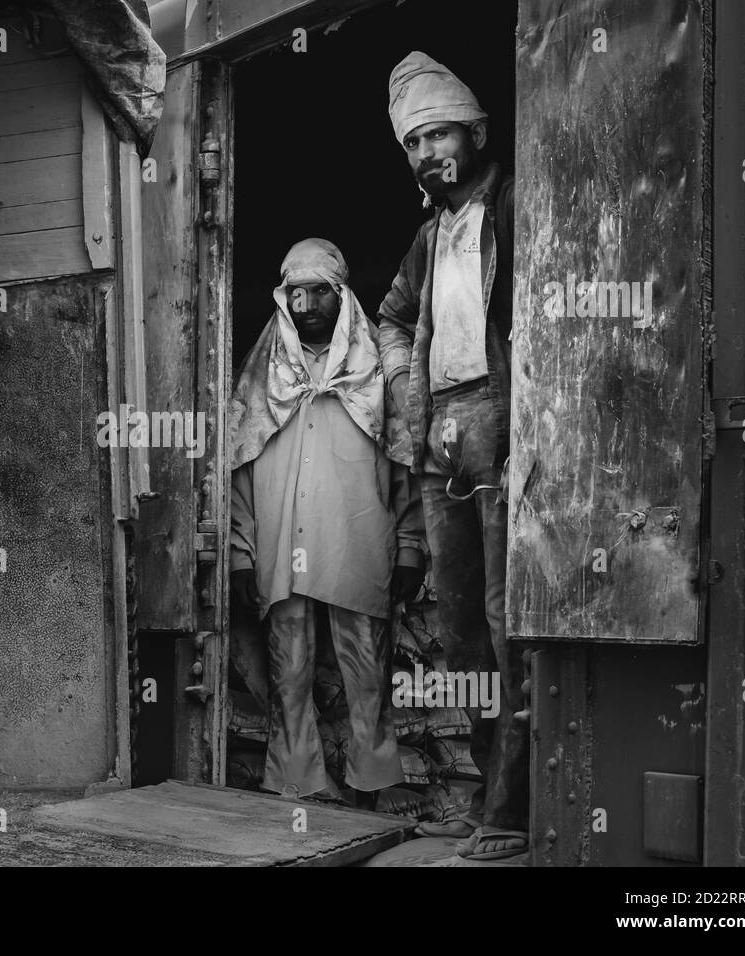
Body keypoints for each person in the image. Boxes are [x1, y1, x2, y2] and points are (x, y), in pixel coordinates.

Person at [375, 51, 528, 859]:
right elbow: (393, 318)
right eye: (415, 142)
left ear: (475, 132)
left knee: (510, 624)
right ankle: (485, 795)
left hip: (505, 425)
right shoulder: (429, 236)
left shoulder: (516, 201)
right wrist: (414, 396)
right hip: (444, 436)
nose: (430, 152)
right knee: (464, 632)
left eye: (441, 135)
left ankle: (514, 810)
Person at [228, 238, 425, 808]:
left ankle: (376, 782)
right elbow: (239, 468)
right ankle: (297, 781)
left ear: (342, 296)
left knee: (368, 669)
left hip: (356, 541)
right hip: (281, 544)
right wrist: (240, 550)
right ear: (282, 298)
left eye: (320, 291)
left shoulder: (373, 375)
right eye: (296, 292)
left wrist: (410, 545)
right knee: (289, 670)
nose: (307, 303)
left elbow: (402, 463)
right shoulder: (263, 378)